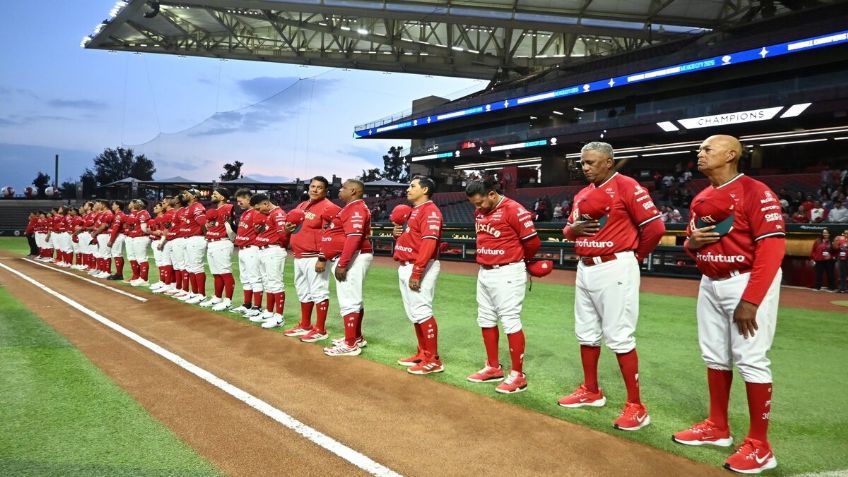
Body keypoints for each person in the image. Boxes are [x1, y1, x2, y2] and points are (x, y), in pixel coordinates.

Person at [673, 134, 785, 474]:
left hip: (745, 279)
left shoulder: (756, 192)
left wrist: (751, 299)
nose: (700, 153)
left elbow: (772, 248)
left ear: (731, 154)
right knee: (714, 356)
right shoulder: (702, 197)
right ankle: (718, 427)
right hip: (711, 281)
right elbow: (694, 245)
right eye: (701, 149)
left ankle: (760, 445)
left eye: (708, 149)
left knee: (751, 359)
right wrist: (690, 243)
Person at [558, 141, 665, 431]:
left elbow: (655, 228)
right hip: (586, 267)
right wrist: (572, 230)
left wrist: (635, 257)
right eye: (582, 163)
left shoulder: (627, 185)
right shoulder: (582, 193)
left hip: (616, 264)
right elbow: (568, 230)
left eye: (591, 162)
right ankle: (591, 391)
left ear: (608, 162)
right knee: (586, 332)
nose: (585, 167)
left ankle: (636, 406)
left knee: (619, 336)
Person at [464, 178, 540, 394]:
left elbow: (533, 242)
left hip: (507, 270)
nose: (477, 208)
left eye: (480, 203)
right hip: (485, 271)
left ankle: (517, 375)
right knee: (486, 318)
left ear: (492, 194)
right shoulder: (480, 211)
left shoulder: (514, 210)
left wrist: (520, 261)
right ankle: (493, 367)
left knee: (510, 320)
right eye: (474, 204)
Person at [392, 176, 444, 375]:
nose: (408, 189)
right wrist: (399, 234)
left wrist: (418, 271)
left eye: (412, 186)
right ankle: (422, 353)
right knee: (414, 313)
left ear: (425, 190)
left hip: (420, 266)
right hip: (407, 264)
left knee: (422, 311)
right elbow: (413, 238)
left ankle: (433, 359)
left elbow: (429, 244)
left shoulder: (430, 211)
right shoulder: (414, 211)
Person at [284, 176, 341, 342]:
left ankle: (321, 330)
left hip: (315, 256)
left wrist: (323, 257)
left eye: (319, 187)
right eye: (313, 186)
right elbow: (294, 227)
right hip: (300, 255)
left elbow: (336, 231)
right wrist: (288, 228)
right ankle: (305, 325)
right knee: (303, 291)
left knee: (318, 291)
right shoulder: (302, 205)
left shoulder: (329, 207)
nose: (315, 190)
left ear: (325, 190)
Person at [320, 179, 373, 357]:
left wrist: (342, 263)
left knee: (349, 300)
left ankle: (350, 345)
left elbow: (354, 237)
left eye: (343, 188)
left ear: (353, 191)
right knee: (353, 298)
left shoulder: (356, 207)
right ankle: (356, 337)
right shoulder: (351, 207)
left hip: (354, 256)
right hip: (353, 256)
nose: (340, 190)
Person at [250, 193, 288, 329]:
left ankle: (279, 317)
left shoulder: (278, 213)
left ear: (266, 203)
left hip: (273, 250)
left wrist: (279, 244)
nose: (258, 211)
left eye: (258, 208)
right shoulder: (270, 214)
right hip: (265, 250)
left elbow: (283, 234)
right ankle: (269, 312)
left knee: (275, 283)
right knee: (268, 283)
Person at [199, 188, 237, 311]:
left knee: (225, 272)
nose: (212, 195)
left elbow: (232, 226)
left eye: (216, 194)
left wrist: (232, 237)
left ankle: (228, 301)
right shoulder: (214, 210)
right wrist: (206, 226)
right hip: (212, 242)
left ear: (223, 197)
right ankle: (217, 297)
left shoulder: (228, 207)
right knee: (216, 273)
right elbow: (209, 228)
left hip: (222, 242)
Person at [230, 189, 264, 317]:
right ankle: (247, 304)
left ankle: (257, 307)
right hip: (243, 249)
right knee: (245, 278)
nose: (239, 204)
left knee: (255, 278)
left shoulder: (256, 212)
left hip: (252, 249)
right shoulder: (244, 214)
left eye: (240, 201)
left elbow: (260, 230)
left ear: (249, 199)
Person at [124, 199, 152, 286]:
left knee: (141, 258)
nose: (130, 204)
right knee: (132, 257)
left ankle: (144, 279)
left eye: (133, 203)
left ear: (139, 204)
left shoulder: (144, 213)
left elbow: (144, 228)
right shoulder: (136, 213)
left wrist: (148, 233)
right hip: (133, 237)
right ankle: (136, 277)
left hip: (141, 237)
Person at [106, 200, 128, 280]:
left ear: (118, 206)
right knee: (116, 254)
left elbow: (115, 229)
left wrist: (111, 240)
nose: (112, 206)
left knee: (117, 254)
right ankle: (118, 273)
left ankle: (119, 274)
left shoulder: (119, 215)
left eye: (114, 204)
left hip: (118, 236)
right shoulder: (118, 215)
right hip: (118, 235)